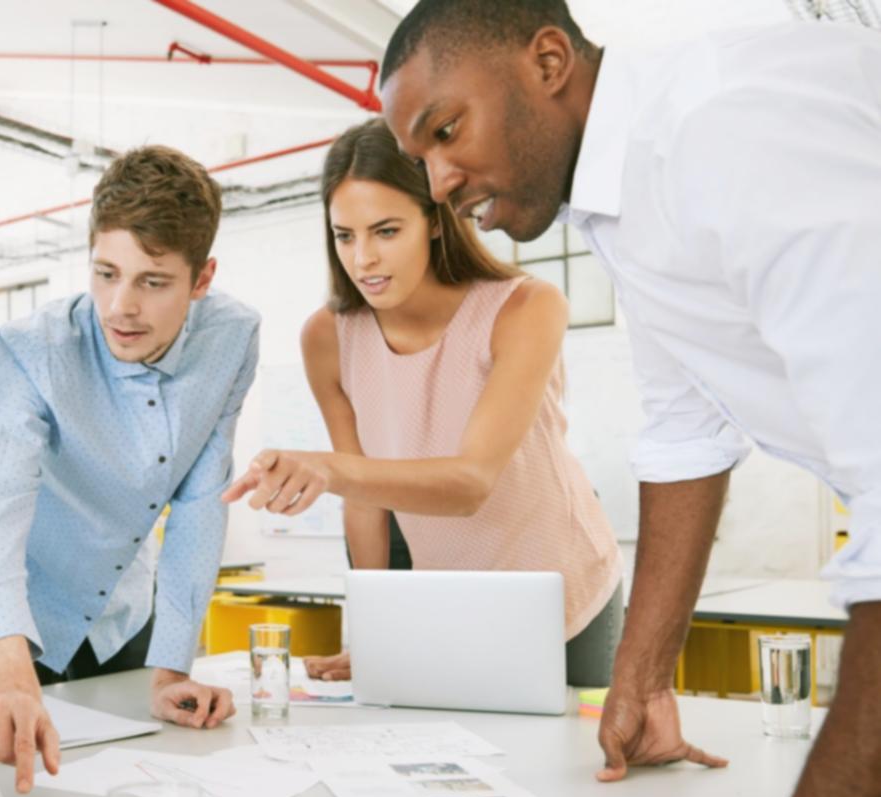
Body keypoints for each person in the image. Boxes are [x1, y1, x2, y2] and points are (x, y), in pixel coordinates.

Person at [378, 1, 881, 797]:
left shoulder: (723, 129)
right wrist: (642, 677)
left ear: (548, 61)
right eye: (419, 158)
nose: (438, 184)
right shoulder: (624, 196)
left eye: (445, 131)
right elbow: (683, 433)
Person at [222, 118, 622, 688]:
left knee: (571, 744)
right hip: (446, 605)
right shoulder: (328, 337)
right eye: (345, 236)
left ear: (435, 220)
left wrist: (329, 470)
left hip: (565, 594)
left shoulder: (526, 308)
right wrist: (370, 629)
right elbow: (365, 502)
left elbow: (471, 483)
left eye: (386, 231)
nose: (363, 258)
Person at [0, 145, 259, 792]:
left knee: (130, 784)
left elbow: (202, 499)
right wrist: (6, 670)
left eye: (153, 282)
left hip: (121, 612)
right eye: (105, 273)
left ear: (201, 279)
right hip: (12, 608)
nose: (120, 306)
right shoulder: (34, 349)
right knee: (5, 790)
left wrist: (173, 668)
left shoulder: (233, 338)